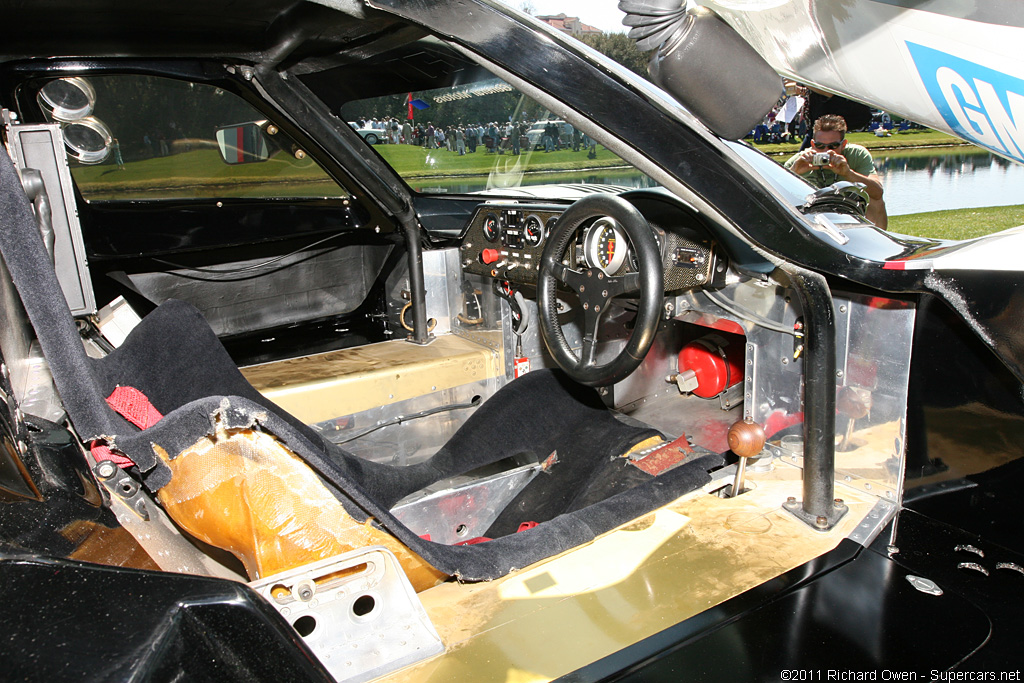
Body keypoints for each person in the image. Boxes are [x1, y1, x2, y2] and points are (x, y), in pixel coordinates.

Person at [785, 114, 887, 229]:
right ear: (812, 144)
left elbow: (878, 192)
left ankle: (876, 241)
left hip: (850, 211)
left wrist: (848, 173)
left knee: (875, 200)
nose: (826, 151)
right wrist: (794, 172)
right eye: (820, 146)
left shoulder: (857, 154)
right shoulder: (800, 161)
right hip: (811, 216)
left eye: (833, 146)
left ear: (843, 144)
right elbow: (774, 194)